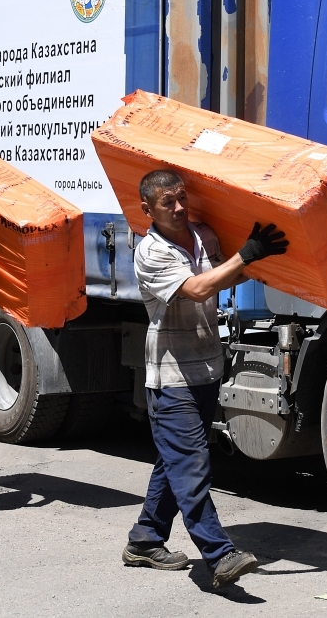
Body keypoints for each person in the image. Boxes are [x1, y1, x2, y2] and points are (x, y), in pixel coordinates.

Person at [122, 169, 288, 589]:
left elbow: (225, 276)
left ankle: (144, 540)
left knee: (173, 461)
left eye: (182, 199)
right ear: (147, 210)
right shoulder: (150, 252)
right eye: (167, 204)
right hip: (172, 376)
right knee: (191, 464)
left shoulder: (202, 237)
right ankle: (219, 554)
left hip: (207, 367)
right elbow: (197, 289)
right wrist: (245, 255)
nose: (178, 209)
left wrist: (257, 262)